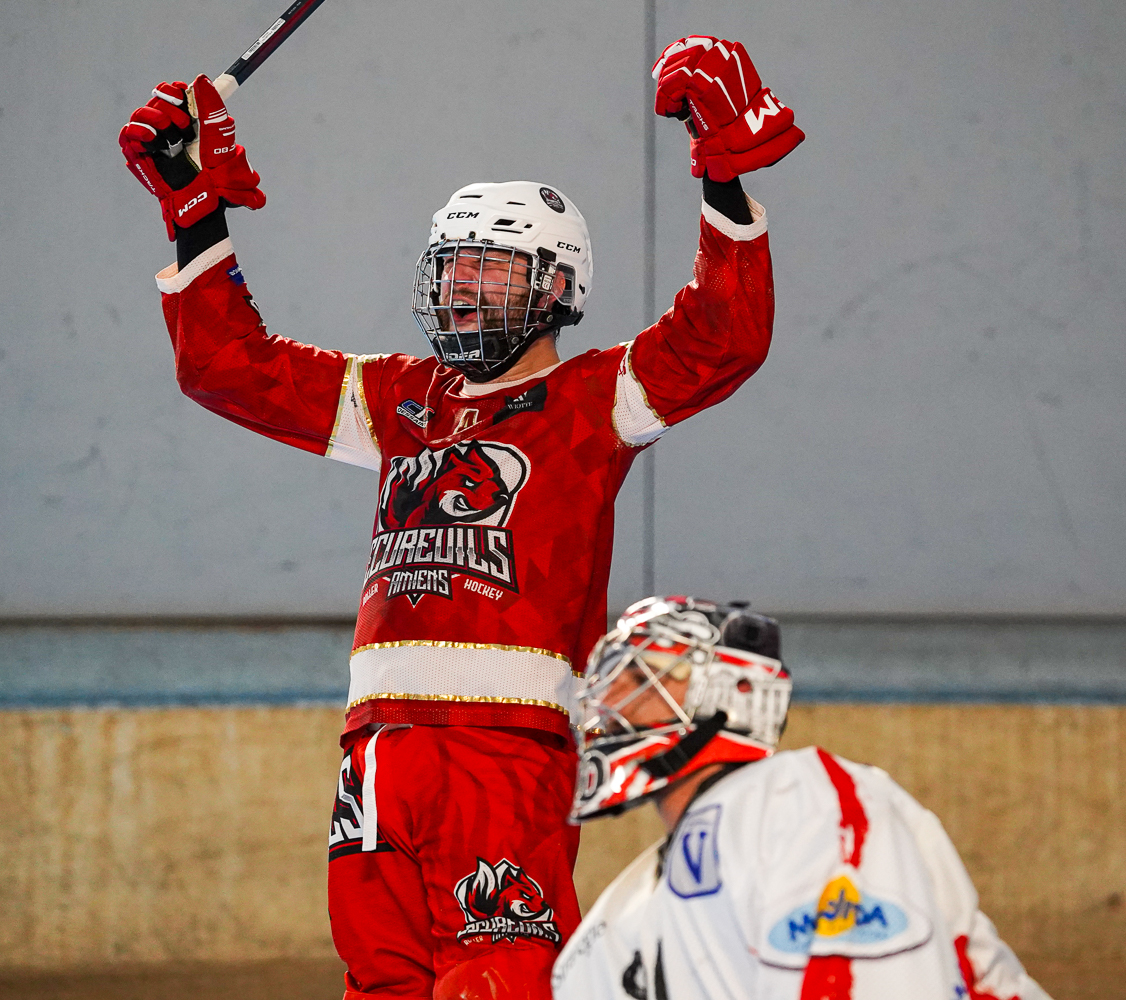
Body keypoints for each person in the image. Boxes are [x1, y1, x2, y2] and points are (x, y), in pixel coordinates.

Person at [117, 37, 804, 1000]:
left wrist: (724, 179)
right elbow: (229, 367)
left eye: (494, 271)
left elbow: (722, 337)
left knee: (502, 979)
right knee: (382, 979)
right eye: (454, 268)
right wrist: (198, 213)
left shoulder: (593, 396)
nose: (463, 289)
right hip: (375, 749)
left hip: (505, 747)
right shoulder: (400, 397)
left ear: (559, 288)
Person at [554, 597, 1052, 1000]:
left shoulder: (800, 803)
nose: (609, 695)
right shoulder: (620, 917)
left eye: (644, 678)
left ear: (732, 696)